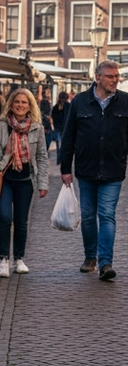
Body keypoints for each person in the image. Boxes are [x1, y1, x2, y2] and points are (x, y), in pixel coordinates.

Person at [59, 60, 128, 281]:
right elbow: (68, 136)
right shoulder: (80, 102)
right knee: (88, 217)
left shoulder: (125, 102)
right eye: (110, 76)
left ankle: (106, 262)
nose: (115, 80)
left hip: (113, 170)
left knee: (107, 215)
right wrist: (65, 168)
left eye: (117, 76)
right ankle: (90, 257)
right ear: (97, 78)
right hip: (86, 170)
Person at [0, 88, 49, 277]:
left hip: (26, 180)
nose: (20, 105)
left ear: (30, 105)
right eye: (17, 102)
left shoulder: (37, 127)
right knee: (5, 218)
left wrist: (43, 183)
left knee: (21, 221)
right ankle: (3, 259)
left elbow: (41, 156)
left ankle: (18, 258)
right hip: (2, 178)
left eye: (24, 102)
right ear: (11, 103)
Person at [50, 91, 69, 162]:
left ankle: (63, 158)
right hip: (58, 128)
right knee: (59, 143)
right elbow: (52, 116)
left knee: (64, 144)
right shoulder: (56, 107)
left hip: (66, 128)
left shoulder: (68, 106)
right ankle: (60, 158)